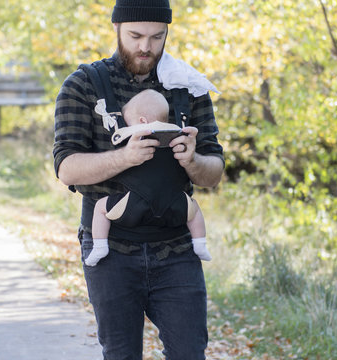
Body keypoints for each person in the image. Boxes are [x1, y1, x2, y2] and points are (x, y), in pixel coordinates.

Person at [53, 0, 224, 358]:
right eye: (135, 35)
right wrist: (124, 157)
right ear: (116, 29)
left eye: (156, 36)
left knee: (190, 353)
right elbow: (66, 167)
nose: (146, 46)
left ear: (167, 34)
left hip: (177, 247)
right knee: (120, 354)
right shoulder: (83, 84)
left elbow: (214, 172)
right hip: (110, 250)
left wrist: (192, 161)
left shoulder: (189, 87)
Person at [86, 89, 212, 267]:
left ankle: (100, 246)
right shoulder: (178, 134)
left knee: (100, 208)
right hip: (174, 201)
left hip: (136, 202)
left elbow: (116, 138)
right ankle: (200, 244)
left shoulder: (131, 135)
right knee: (195, 209)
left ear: (142, 121)